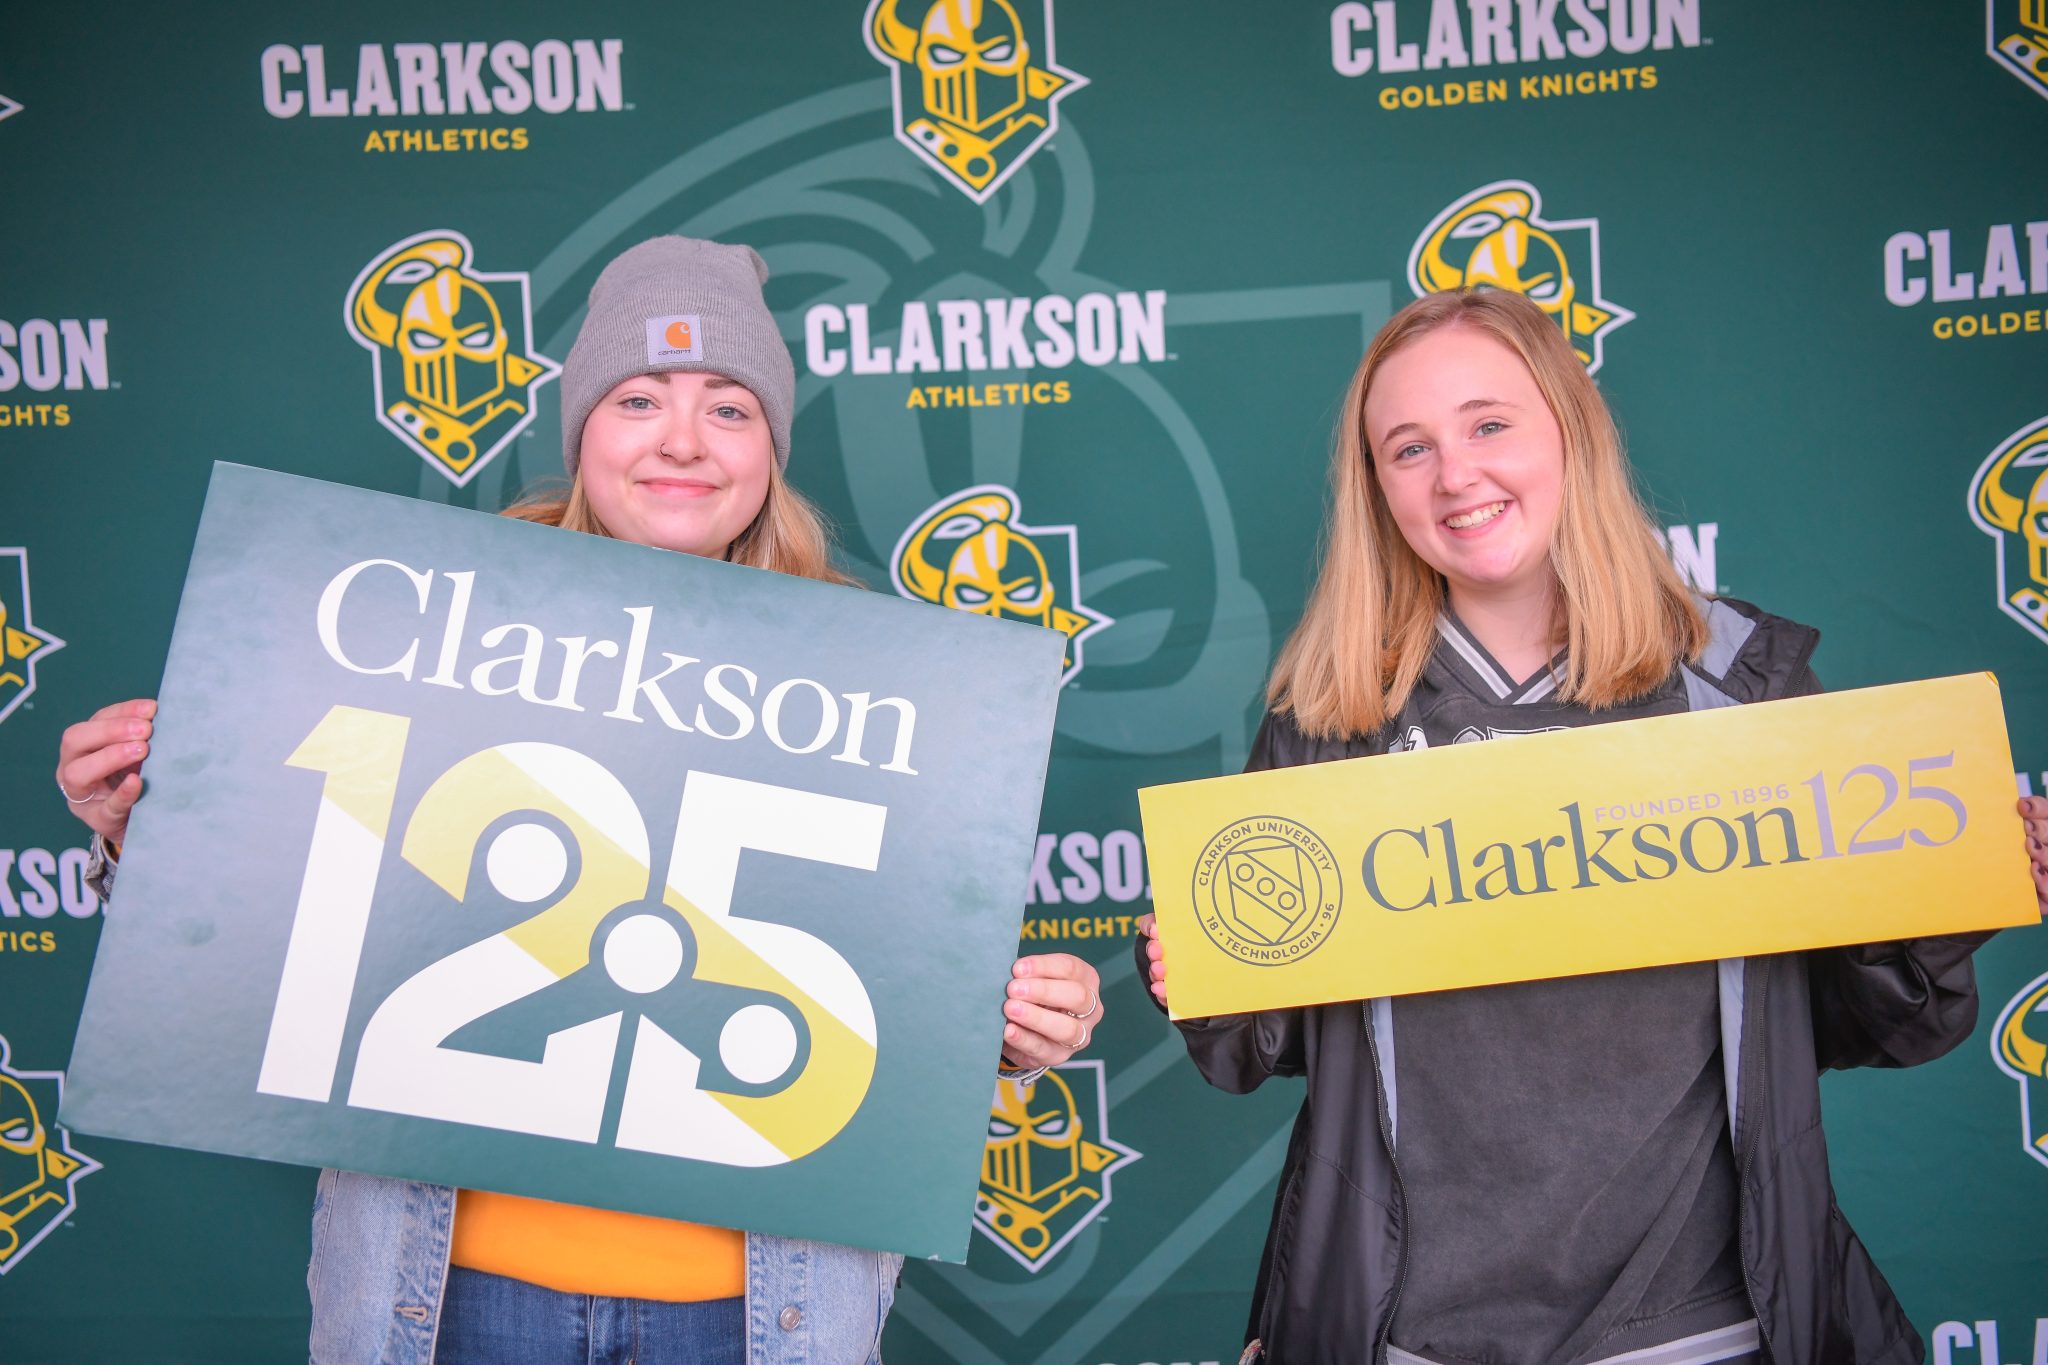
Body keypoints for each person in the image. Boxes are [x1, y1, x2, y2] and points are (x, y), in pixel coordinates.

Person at [56, 236, 1104, 1365]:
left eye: (730, 408)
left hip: (756, 1315)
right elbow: (289, 934)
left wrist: (1008, 1028)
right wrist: (146, 838)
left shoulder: (893, 692)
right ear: (583, 432)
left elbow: (896, 984)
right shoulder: (424, 637)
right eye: (639, 397)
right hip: (453, 1296)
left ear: (772, 450)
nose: (682, 443)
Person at [1135, 287, 2048, 1365]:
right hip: (1410, 1336)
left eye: (1487, 424)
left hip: (1705, 1329)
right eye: (1407, 448)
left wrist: (1951, 892)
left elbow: (1868, 1020)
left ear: (1570, 429)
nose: (1454, 474)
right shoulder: (1333, 719)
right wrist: (1201, 961)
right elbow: (1256, 1046)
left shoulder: (1735, 682)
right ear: (1374, 487)